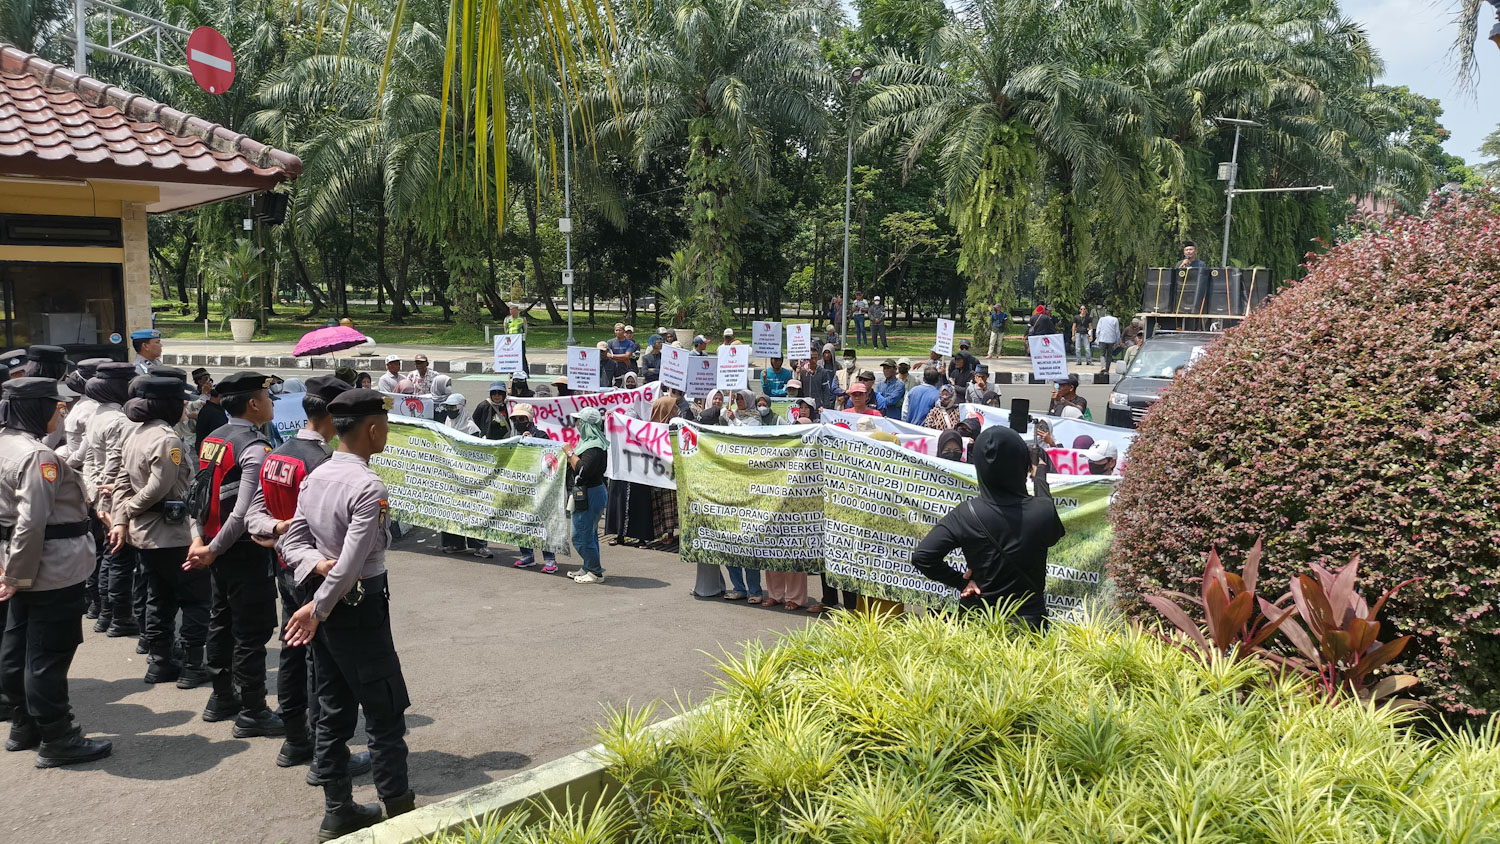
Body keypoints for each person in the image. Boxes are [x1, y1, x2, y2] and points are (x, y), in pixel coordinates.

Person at [281, 389, 415, 840]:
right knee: (384, 711)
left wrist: (316, 569)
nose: (386, 432)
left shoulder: (316, 475)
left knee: (333, 709)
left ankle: (338, 809)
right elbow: (354, 563)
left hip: (323, 600)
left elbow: (292, 541)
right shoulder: (368, 486)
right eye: (385, 425)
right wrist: (318, 606)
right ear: (373, 429)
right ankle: (398, 809)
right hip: (356, 605)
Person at [243, 376, 375, 781]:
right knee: (323, 666)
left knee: (291, 651)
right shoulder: (324, 464)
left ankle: (296, 739)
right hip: (319, 578)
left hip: (286, 568)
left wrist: (279, 533)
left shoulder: (277, 453)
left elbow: (254, 516)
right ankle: (324, 754)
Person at [0, 376, 114, 767]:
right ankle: (58, 736)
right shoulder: (37, 457)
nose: (60, 411)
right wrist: (17, 576)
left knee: (17, 648)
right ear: (38, 409)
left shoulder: (5, 445)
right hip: (50, 566)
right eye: (55, 405)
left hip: (19, 560)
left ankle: (24, 724)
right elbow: (33, 522)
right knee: (49, 654)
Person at [186, 371, 284, 737]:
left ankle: (222, 696)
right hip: (241, 549)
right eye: (268, 396)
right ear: (254, 404)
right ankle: (254, 709)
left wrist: (201, 541)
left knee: (222, 621)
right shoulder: (255, 447)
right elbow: (244, 513)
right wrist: (211, 548)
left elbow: (198, 496)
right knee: (251, 630)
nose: (272, 401)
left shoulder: (214, 438)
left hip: (215, 546)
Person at [107, 375, 210, 688]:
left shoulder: (136, 433)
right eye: (180, 401)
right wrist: (128, 510)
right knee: (194, 599)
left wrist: (122, 518)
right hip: (172, 531)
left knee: (158, 599)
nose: (184, 406)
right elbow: (159, 486)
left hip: (146, 534)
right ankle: (192, 665)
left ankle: (160, 661)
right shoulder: (168, 439)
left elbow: (122, 481)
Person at [910, 426, 1065, 627]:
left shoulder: (965, 513)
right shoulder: (1042, 511)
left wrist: (961, 582)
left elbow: (922, 557)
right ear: (1022, 464)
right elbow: (1052, 533)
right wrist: (1040, 478)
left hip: (978, 622)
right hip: (1028, 625)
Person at [81, 362, 137, 639]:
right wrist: (106, 499)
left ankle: (105, 613)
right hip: (114, 492)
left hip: (100, 491)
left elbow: (89, 458)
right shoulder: (119, 419)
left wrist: (93, 493)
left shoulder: (97, 414)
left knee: (107, 555)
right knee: (119, 558)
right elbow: (115, 461)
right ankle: (117, 616)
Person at [507, 405, 557, 572]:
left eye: (522, 419)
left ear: (529, 420)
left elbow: (550, 458)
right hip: (519, 486)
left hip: (539, 487)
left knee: (542, 523)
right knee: (521, 521)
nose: (518, 422)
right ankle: (527, 555)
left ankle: (550, 559)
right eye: (515, 419)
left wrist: (533, 442)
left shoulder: (541, 435)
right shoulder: (510, 437)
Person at [564, 408, 609, 583]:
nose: (576, 425)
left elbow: (583, 470)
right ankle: (588, 566)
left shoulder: (594, 447)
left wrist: (570, 453)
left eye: (579, 422)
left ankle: (595, 572)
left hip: (591, 494)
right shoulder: (589, 443)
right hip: (591, 492)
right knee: (589, 533)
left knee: (580, 534)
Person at [505, 304, 530, 375]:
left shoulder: (522, 319)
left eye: (512, 309)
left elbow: (525, 330)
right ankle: (512, 372)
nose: (510, 311)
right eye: (510, 310)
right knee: (511, 356)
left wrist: (523, 339)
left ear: (516, 310)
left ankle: (525, 372)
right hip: (511, 341)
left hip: (520, 340)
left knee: (522, 356)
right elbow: (506, 329)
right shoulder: (507, 319)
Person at [1094, 308, 1121, 374]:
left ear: (1105, 314)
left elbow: (1098, 331)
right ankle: (1107, 369)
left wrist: (1097, 340)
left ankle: (1103, 366)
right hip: (1111, 340)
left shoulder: (1101, 319)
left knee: (1102, 354)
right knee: (1109, 355)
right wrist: (1117, 341)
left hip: (1102, 339)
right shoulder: (1115, 319)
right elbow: (1117, 331)